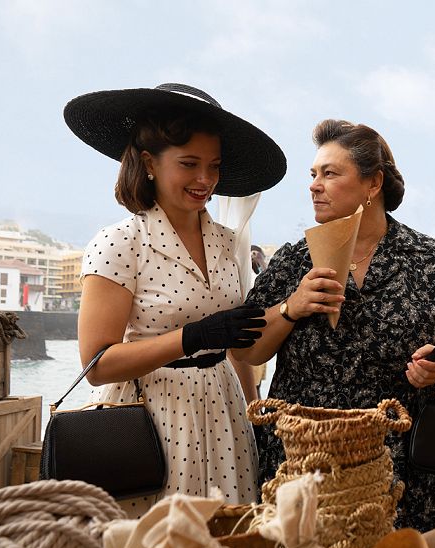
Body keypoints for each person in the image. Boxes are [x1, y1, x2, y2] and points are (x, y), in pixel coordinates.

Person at [235, 119, 435, 532]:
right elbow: (247, 351)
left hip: (410, 467)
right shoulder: (292, 260)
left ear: (373, 184)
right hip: (307, 460)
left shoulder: (432, 257)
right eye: (313, 174)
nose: (314, 185)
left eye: (330, 173)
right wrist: (291, 307)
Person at [69, 83, 285, 517]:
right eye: (189, 164)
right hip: (151, 416)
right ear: (149, 163)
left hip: (225, 412)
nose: (205, 180)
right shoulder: (121, 242)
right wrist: (191, 338)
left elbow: (238, 346)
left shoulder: (227, 243)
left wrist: (253, 410)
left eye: (214, 166)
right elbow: (96, 365)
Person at [250, 244, 269, 397]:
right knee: (254, 385)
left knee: (255, 384)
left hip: (256, 336)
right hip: (255, 336)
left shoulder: (256, 277)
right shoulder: (255, 278)